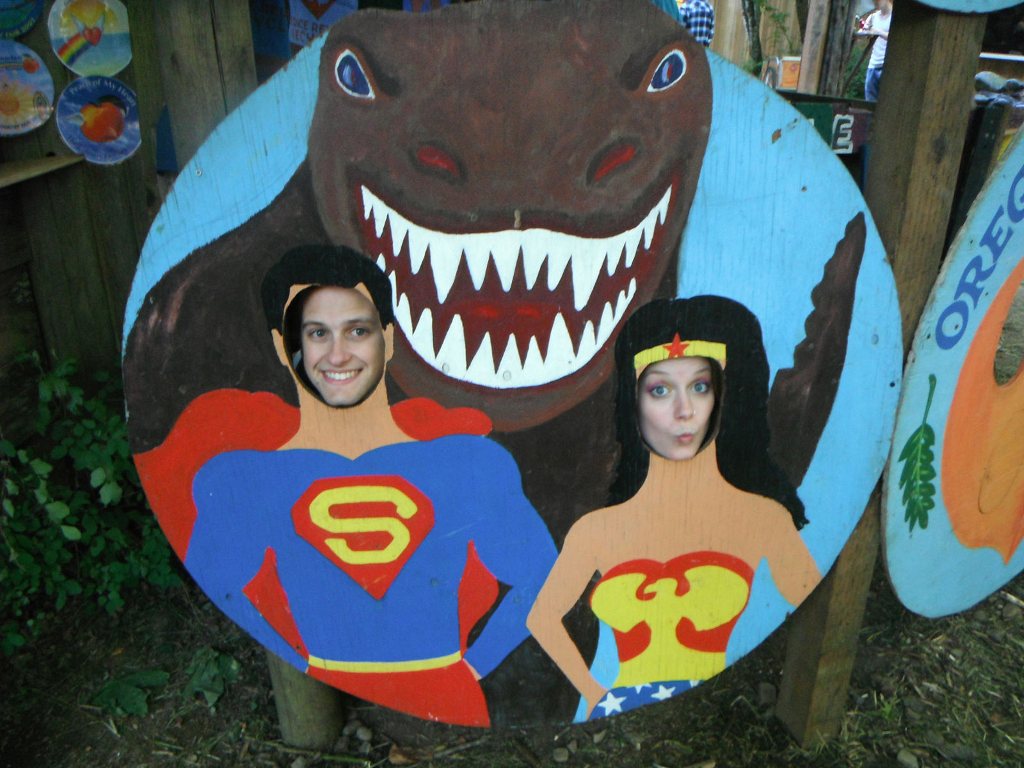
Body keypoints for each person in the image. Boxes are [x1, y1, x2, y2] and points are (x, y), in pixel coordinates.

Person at [185, 245, 557, 727]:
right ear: (283, 345)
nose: (338, 354)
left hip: (450, 690)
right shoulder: (245, 479)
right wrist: (302, 662)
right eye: (317, 333)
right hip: (337, 670)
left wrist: (472, 667)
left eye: (357, 331)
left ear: (389, 338)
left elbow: (541, 575)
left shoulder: (467, 463)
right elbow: (218, 579)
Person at [527, 296, 820, 721]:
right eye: (660, 390)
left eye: (700, 387)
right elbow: (542, 617)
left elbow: (815, 600)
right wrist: (595, 693)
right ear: (633, 401)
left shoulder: (763, 518)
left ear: (725, 395)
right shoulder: (596, 529)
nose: (684, 412)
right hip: (622, 710)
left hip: (717, 715)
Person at [859, 0, 892, 102]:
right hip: (873, 66)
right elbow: (861, 34)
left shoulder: (895, 18)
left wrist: (878, 32)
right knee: (870, 103)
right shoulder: (873, 17)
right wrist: (864, 30)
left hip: (888, 66)